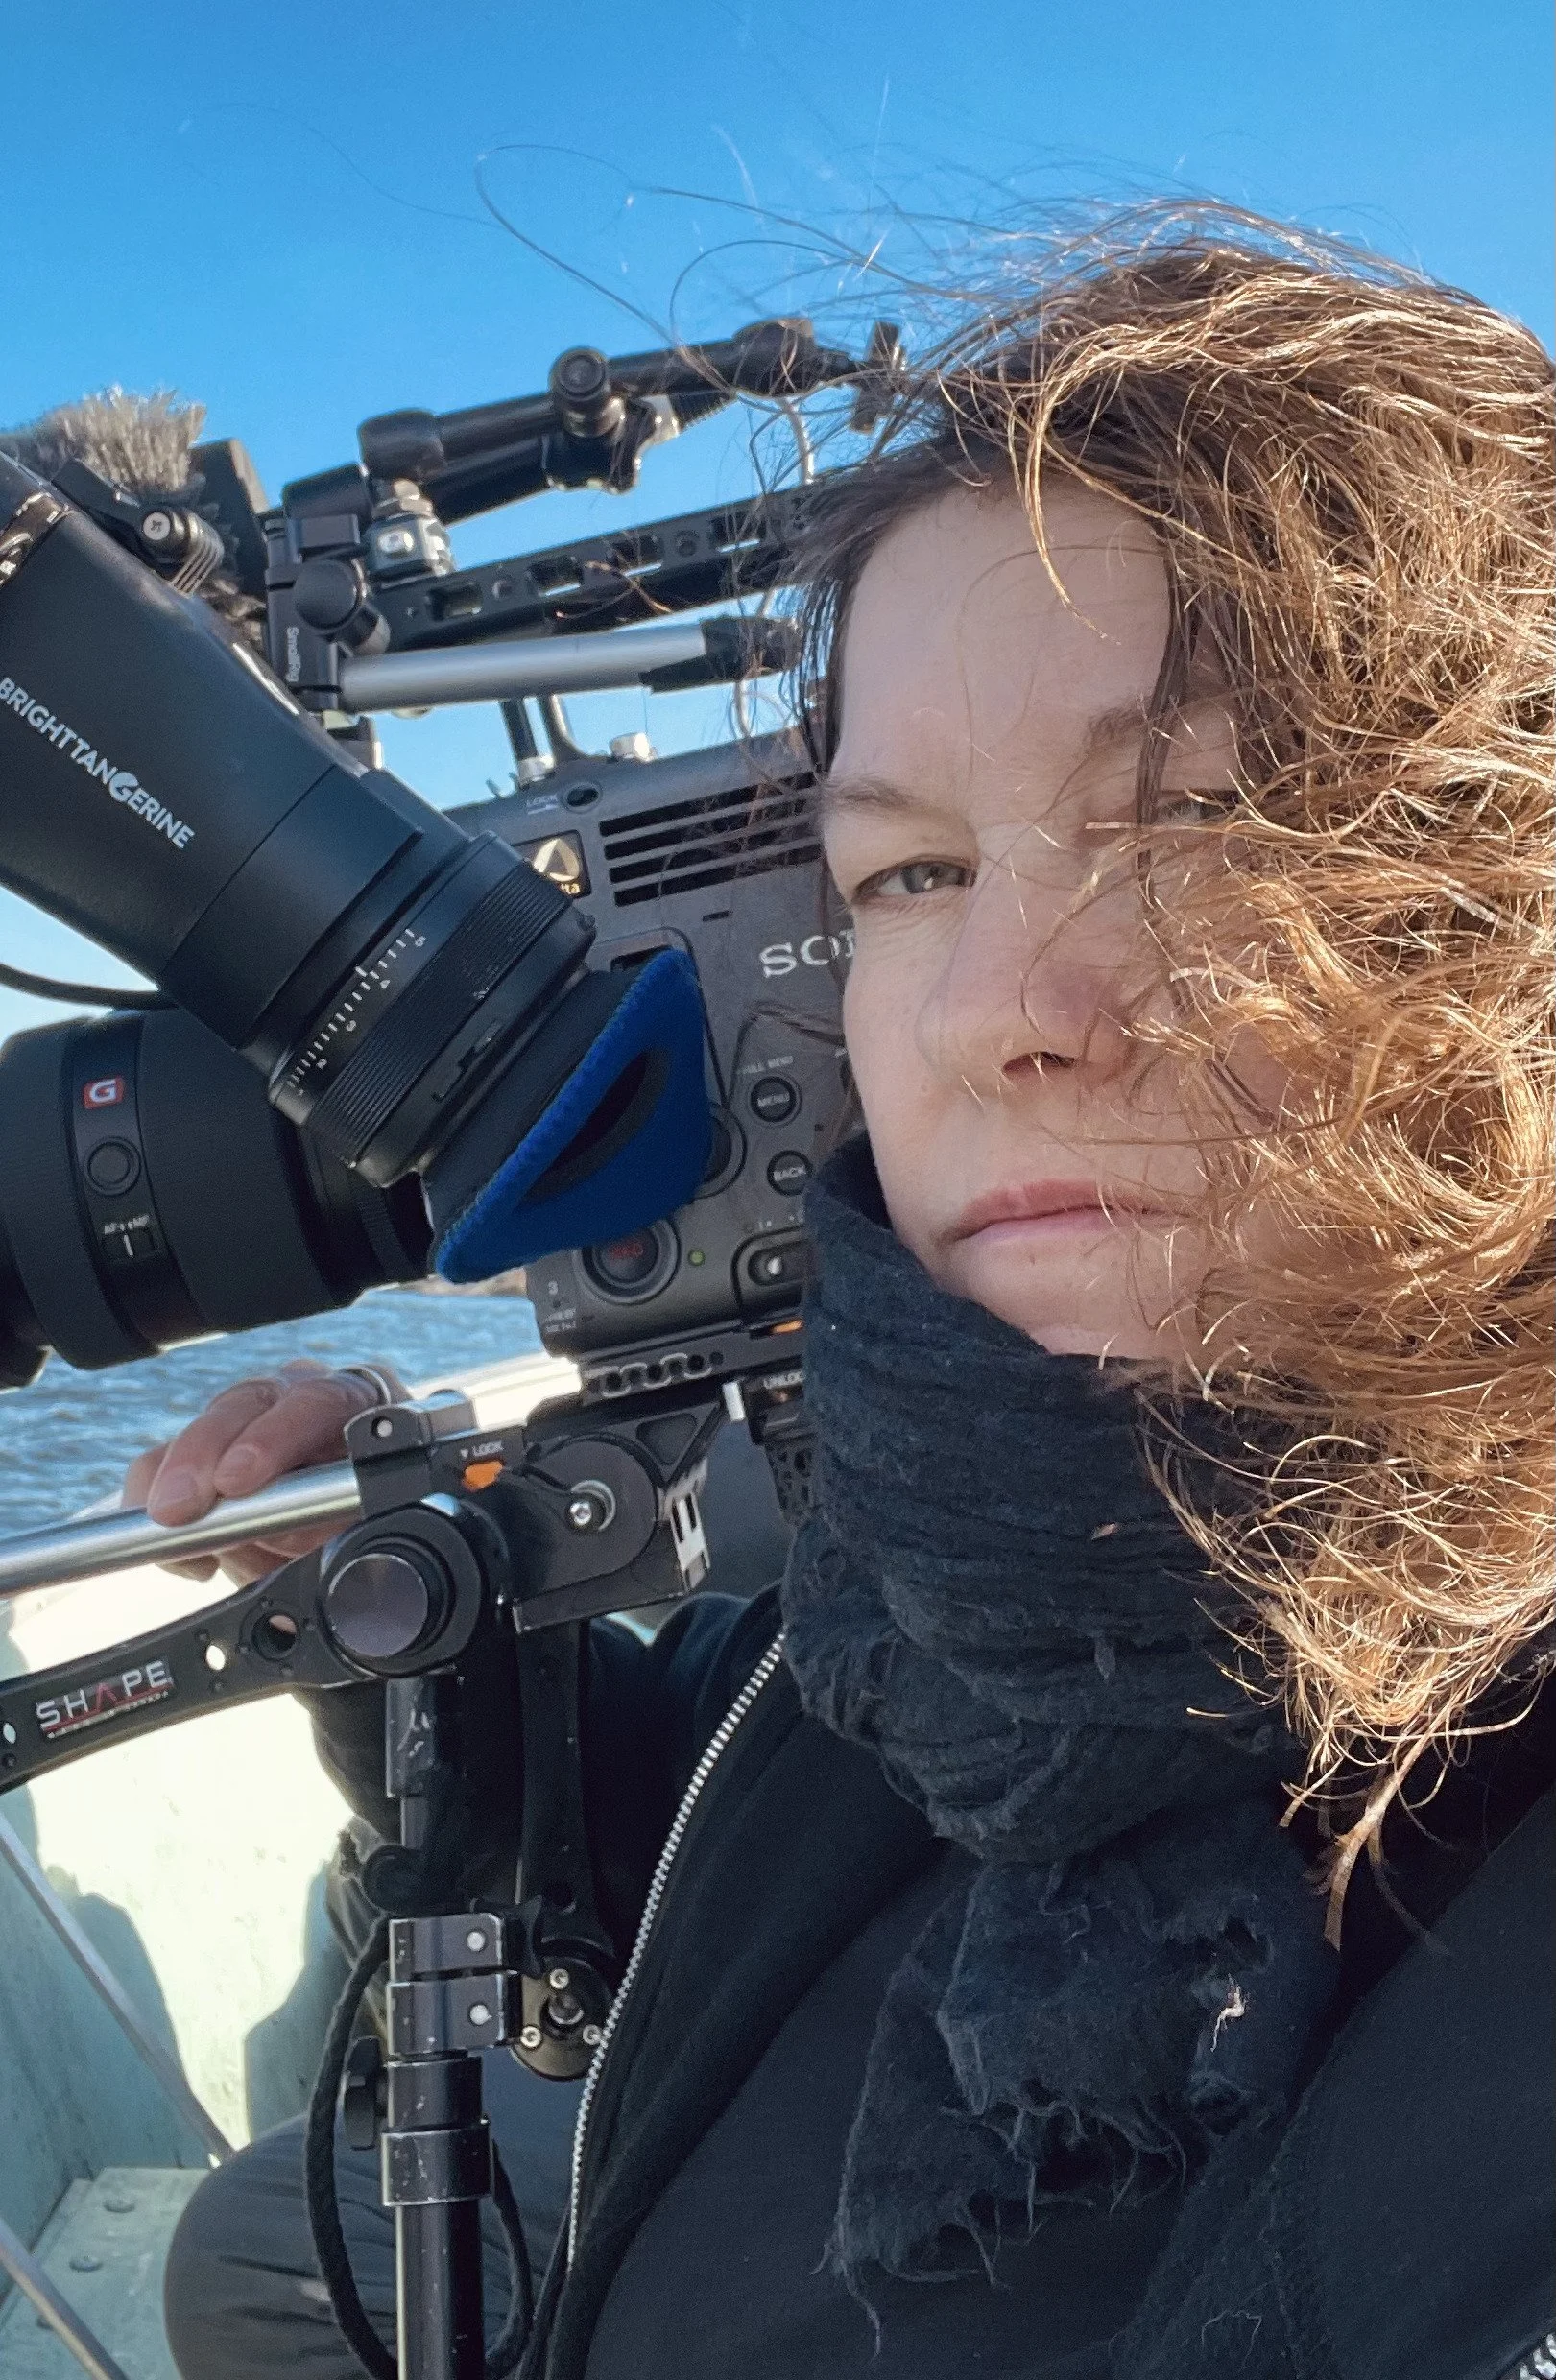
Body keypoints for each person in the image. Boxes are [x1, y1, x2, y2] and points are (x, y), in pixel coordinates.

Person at [140, 215, 1553, 2379]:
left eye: (1192, 824)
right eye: (911, 871)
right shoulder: (945, 1524)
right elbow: (733, 1839)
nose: (995, 1009)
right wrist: (428, 1661)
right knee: (251, 2248)